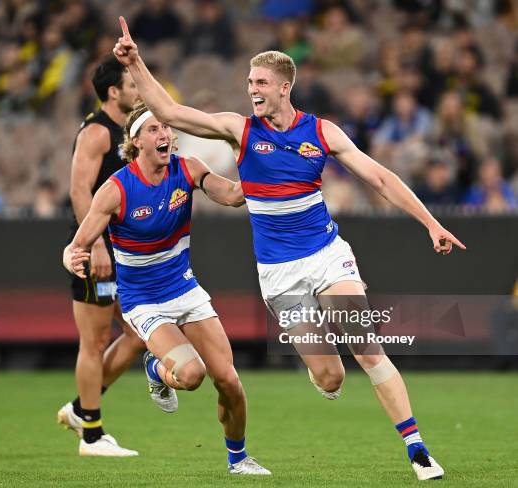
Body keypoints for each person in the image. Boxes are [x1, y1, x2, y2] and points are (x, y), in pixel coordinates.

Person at [114, 16, 468, 480]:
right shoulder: (240, 130)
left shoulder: (321, 133)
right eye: (248, 82)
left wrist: (430, 223)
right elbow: (174, 113)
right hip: (280, 275)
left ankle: (417, 448)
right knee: (331, 378)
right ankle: (169, 369)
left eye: (260, 82)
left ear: (284, 87)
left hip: (327, 255)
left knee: (366, 345)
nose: (252, 89)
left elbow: (379, 177)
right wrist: (137, 63)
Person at [63, 102, 271, 475]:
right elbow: (75, 247)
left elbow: (231, 195)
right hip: (143, 301)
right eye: (155, 129)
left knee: (229, 380)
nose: (166, 135)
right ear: (136, 141)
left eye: (167, 129)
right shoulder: (116, 190)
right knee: (191, 376)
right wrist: (72, 259)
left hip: (185, 289)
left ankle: (238, 460)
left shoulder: (187, 169)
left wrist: (263, 171)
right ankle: (156, 370)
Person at [56, 57, 145, 457]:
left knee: (140, 333)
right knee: (93, 342)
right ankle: (91, 435)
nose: (137, 90)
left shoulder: (125, 130)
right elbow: (79, 190)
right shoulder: (97, 131)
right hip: (96, 252)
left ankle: (80, 408)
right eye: (131, 84)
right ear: (114, 92)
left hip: (122, 254)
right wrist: (93, 246)